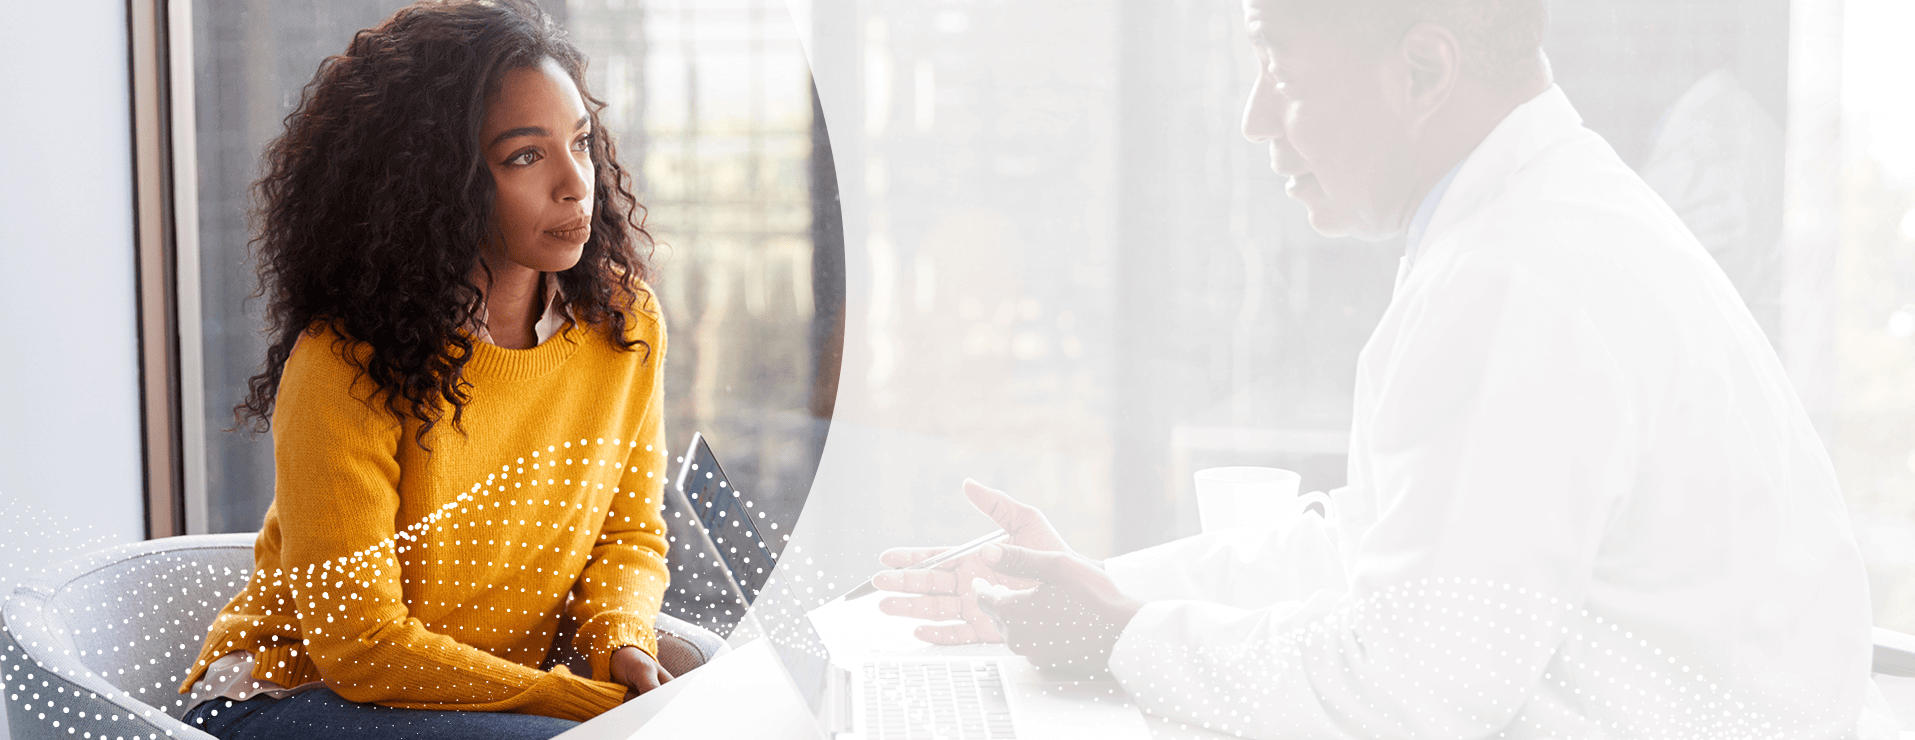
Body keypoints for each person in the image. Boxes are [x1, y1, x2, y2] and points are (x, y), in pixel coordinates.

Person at [873, 0, 1890, 737]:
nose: (1255, 119)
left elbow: (1407, 694)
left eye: (1279, 64)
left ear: (1423, 71)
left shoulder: (1518, 275)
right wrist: (1098, 594)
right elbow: (1379, 555)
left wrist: (1119, 635)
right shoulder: (1535, 224)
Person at [175, 2, 674, 737]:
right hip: (290, 699)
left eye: (581, 142)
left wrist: (619, 638)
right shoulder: (344, 367)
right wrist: (591, 707)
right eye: (524, 157)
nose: (576, 184)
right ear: (435, 183)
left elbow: (629, 534)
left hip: (474, 696)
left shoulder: (622, 326)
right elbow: (361, 649)